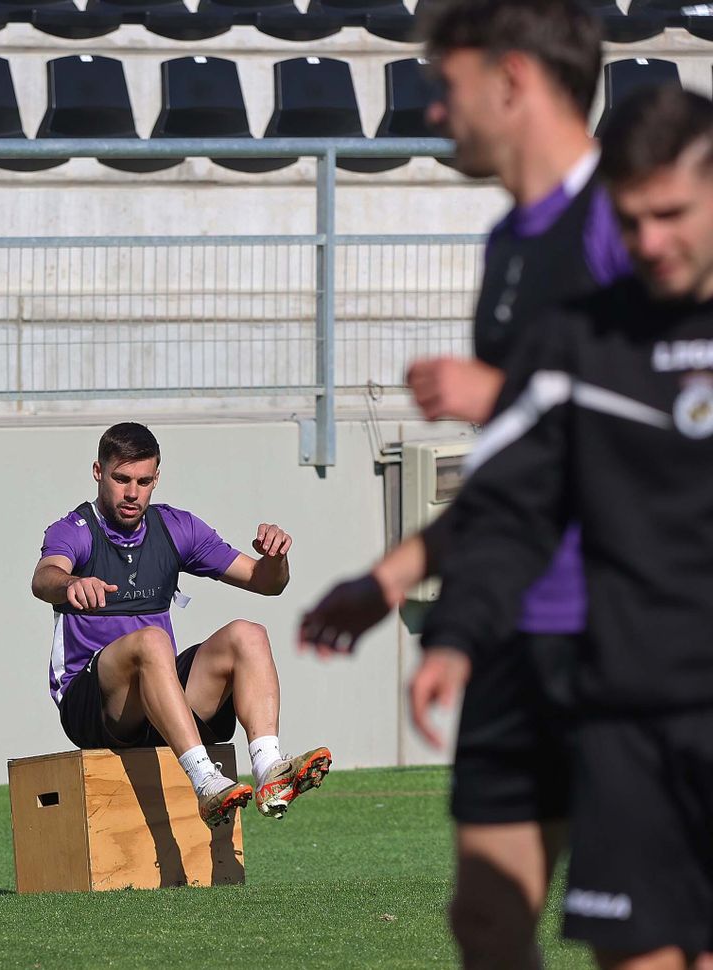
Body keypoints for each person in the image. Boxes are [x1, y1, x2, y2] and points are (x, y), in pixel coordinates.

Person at [298, 2, 628, 964]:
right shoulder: (509, 246)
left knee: (639, 942)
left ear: (513, 79)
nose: (435, 113)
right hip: (517, 630)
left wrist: (508, 386)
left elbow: (671, 416)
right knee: (485, 921)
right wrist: (396, 574)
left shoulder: (633, 220)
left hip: (628, 641)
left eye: (448, 86)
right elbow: (522, 455)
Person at [417, 84, 713, 970]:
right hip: (626, 714)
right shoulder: (577, 344)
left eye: (671, 215)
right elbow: (509, 509)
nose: (649, 244)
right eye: (630, 222)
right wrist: (457, 637)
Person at [31, 422, 330, 828]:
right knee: (153, 642)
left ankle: (268, 768)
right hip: (94, 708)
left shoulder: (176, 527)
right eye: (121, 479)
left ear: (157, 478)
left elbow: (265, 582)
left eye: (143, 481)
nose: (132, 493)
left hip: (160, 703)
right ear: (98, 472)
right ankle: (206, 781)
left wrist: (275, 558)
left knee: (248, 634)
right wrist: (70, 584)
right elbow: (44, 577)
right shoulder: (75, 531)